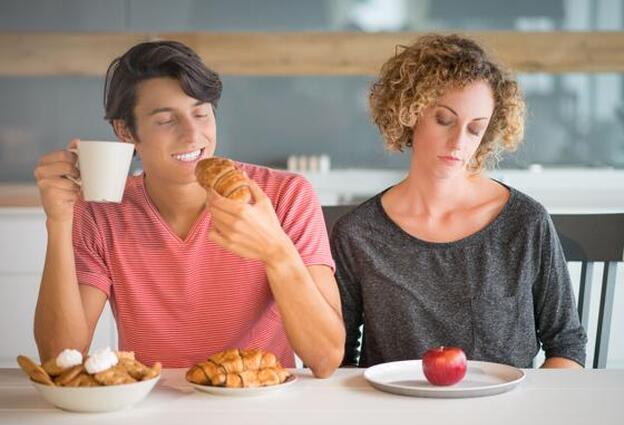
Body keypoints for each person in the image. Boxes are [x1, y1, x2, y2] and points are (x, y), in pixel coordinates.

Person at [33, 40, 344, 377]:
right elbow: (59, 357)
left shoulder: (284, 197)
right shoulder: (103, 213)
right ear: (126, 131)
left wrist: (276, 252)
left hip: (260, 407)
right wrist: (59, 221)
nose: (193, 134)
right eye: (167, 120)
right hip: (152, 409)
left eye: (200, 113)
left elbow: (326, 359)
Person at [330, 34, 587, 369]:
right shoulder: (358, 233)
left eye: (474, 128)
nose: (458, 142)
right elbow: (338, 358)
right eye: (444, 120)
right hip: (395, 416)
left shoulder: (526, 221)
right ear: (409, 113)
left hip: (505, 416)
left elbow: (566, 345)